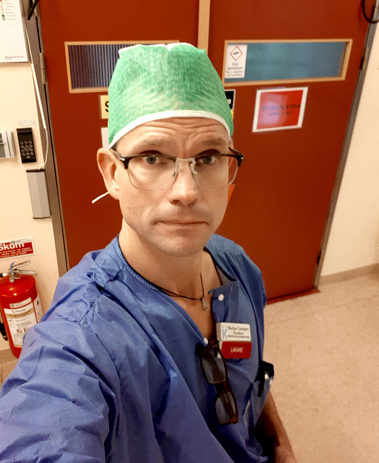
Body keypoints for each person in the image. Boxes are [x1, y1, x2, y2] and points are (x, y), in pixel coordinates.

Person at [0, 43, 297, 463]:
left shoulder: (237, 267)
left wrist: (281, 445)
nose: (186, 191)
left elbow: (250, 378)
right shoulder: (83, 336)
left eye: (208, 157)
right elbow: (43, 430)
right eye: (153, 157)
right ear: (111, 172)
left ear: (229, 168)